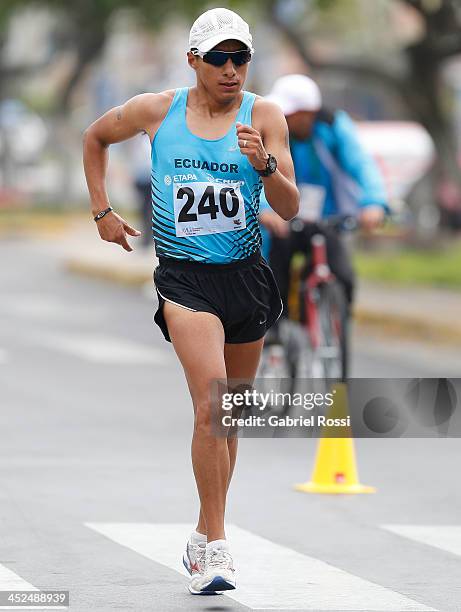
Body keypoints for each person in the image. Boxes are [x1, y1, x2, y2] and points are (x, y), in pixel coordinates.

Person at [83, 7, 299, 596]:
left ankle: (203, 532)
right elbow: (95, 137)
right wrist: (102, 211)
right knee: (212, 405)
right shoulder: (159, 110)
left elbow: (289, 206)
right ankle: (220, 545)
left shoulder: (266, 115)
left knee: (231, 416)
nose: (232, 70)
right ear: (194, 61)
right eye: (220, 59)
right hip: (185, 279)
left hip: (247, 278)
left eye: (241, 58)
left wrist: (266, 164)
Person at [259, 74, 388, 320]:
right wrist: (265, 209)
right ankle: (275, 329)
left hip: (326, 219)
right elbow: (258, 175)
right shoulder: (273, 131)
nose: (283, 117)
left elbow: (362, 164)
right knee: (274, 275)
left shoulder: (333, 127)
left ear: (309, 112)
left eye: (289, 113)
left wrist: (373, 202)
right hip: (284, 220)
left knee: (344, 275)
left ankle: (335, 326)